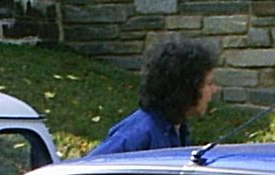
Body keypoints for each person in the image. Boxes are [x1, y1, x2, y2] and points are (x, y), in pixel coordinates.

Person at [90, 37, 218, 155]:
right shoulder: (138, 135)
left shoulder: (177, 129)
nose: (214, 89)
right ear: (186, 88)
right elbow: (90, 170)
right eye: (209, 83)